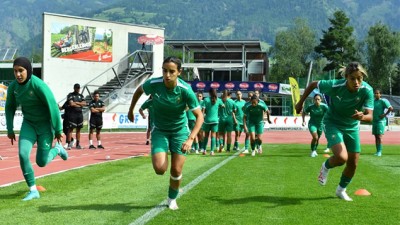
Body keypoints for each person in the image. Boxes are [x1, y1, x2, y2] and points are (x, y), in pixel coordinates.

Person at [128, 56, 204, 210]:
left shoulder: (185, 90)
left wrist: (190, 139)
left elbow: (200, 117)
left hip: (180, 132)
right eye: (164, 71)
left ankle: (172, 198)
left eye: (171, 71)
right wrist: (131, 109)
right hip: (160, 130)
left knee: (176, 170)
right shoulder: (154, 84)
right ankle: (162, 154)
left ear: (179, 72)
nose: (167, 75)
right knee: (160, 169)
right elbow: (139, 90)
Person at [295, 62, 374, 201]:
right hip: (333, 123)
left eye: (359, 78)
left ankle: (341, 190)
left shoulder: (367, 90)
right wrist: (300, 102)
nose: (356, 82)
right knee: (342, 158)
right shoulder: (335, 85)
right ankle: (325, 167)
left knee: (353, 163)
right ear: (346, 77)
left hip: (352, 126)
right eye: (352, 78)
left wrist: (363, 117)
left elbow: (370, 116)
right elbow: (313, 84)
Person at [5, 57, 68, 201]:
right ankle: (33, 190)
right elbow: (9, 108)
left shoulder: (38, 85)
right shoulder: (14, 88)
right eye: (15, 71)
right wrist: (10, 129)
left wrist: (58, 130)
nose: (18, 74)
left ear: (29, 70)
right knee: (22, 154)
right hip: (29, 124)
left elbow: (52, 106)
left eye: (21, 71)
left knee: (42, 162)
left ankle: (57, 149)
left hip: (45, 126)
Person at [201, 88, 224, 155]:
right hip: (215, 120)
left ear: (209, 93)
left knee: (206, 136)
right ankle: (212, 151)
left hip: (207, 120)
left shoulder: (206, 100)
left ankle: (204, 150)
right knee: (213, 136)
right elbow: (223, 106)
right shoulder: (218, 100)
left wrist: (202, 118)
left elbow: (203, 110)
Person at [372, 89, 393, 156]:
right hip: (374, 121)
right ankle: (377, 151)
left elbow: (390, 108)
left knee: (379, 136)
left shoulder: (383, 101)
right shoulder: (373, 101)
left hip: (380, 121)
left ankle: (379, 152)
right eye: (375, 93)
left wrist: (384, 114)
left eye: (377, 93)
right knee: (376, 136)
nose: (376, 94)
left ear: (380, 94)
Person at [66, 83, 86, 149]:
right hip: (72, 114)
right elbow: (71, 104)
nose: (78, 89)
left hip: (79, 114)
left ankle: (77, 144)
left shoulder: (81, 96)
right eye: (76, 88)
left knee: (78, 130)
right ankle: (69, 144)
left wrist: (76, 103)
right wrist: (80, 104)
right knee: (70, 129)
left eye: (78, 88)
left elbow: (84, 104)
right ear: (74, 88)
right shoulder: (70, 95)